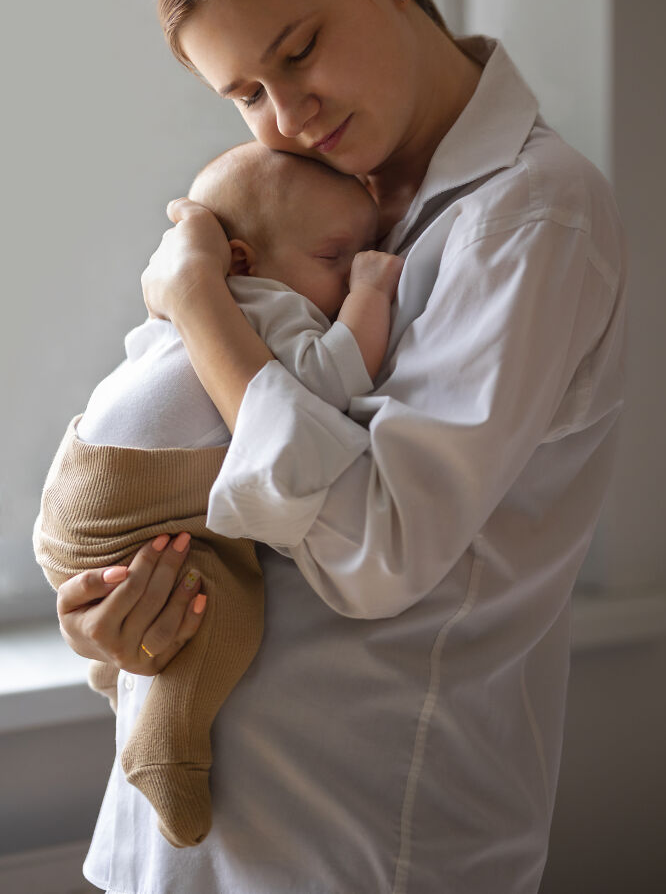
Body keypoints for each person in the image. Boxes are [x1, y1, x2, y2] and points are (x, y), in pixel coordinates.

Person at [53, 0, 626, 894]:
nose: (288, 113)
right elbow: (211, 487)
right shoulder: (295, 202)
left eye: (300, 50)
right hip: (174, 841)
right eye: (246, 95)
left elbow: (379, 548)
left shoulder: (530, 217)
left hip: (362, 835)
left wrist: (199, 307)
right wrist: (122, 623)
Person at [34, 140, 401, 848]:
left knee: (161, 599)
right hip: (144, 497)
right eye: (335, 258)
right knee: (223, 608)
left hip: (77, 493)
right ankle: (163, 748)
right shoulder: (269, 306)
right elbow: (329, 387)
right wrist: (373, 294)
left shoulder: (189, 306)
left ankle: (116, 681)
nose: (351, 268)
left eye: (363, 254)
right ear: (242, 260)